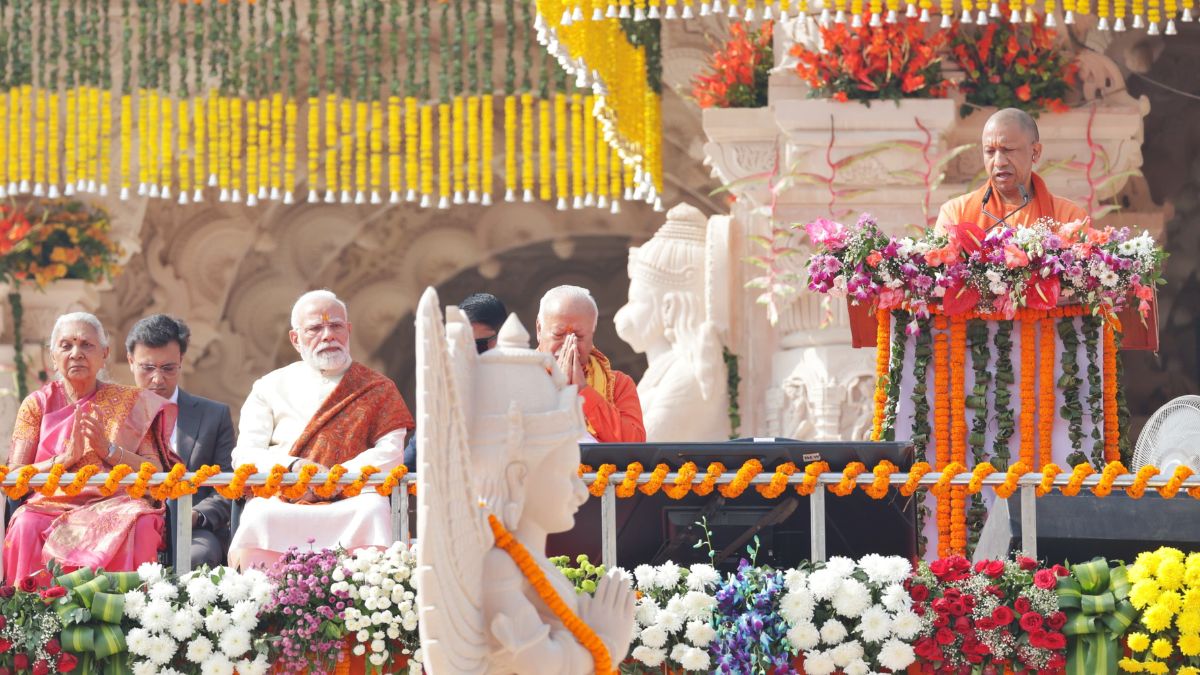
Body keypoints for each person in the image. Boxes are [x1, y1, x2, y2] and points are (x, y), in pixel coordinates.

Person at [228, 290, 414, 569]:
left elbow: (391, 453)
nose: (328, 335)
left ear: (348, 330)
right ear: (295, 339)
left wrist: (335, 478)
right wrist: (294, 468)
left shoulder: (379, 388)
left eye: (335, 326)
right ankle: (263, 594)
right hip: (285, 497)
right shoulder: (269, 386)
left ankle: (368, 592)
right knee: (259, 515)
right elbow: (245, 454)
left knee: (373, 510)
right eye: (315, 328)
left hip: (352, 498)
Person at [3, 313, 182, 583]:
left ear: (104, 354)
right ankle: (31, 609)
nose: (76, 353)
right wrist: (62, 460)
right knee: (25, 523)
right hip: (50, 505)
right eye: (66, 345)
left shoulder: (131, 403)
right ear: (53, 356)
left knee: (143, 523)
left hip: (116, 504)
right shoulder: (36, 404)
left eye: (86, 345)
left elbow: (155, 471)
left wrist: (109, 451)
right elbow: (14, 477)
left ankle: (132, 607)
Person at [126, 314, 235, 568]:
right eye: (147, 368)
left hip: (193, 528)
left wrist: (194, 516)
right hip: (128, 525)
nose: (157, 379)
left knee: (199, 556)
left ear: (181, 361)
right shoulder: (114, 416)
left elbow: (228, 484)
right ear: (130, 361)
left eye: (168, 368)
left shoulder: (214, 415)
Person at [935, 107, 1088, 233]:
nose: (999, 162)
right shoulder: (956, 214)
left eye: (1008, 149)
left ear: (1035, 152)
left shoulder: (1069, 218)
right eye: (990, 151)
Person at [403, 291, 508, 467]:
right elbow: (411, 461)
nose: (469, 356)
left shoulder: (526, 383)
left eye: (478, 345)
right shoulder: (448, 393)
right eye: (460, 348)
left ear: (503, 338)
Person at [535, 285, 645, 443]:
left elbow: (634, 443)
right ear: (539, 329)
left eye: (579, 336)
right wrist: (557, 388)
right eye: (558, 334)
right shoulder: (519, 377)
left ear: (592, 334)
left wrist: (583, 391)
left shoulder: (618, 384)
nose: (569, 344)